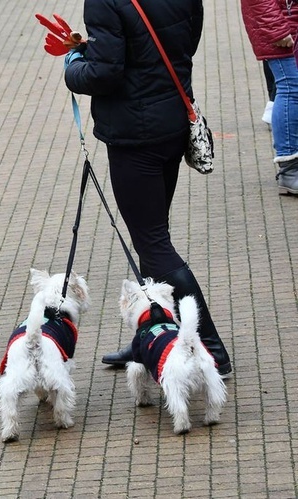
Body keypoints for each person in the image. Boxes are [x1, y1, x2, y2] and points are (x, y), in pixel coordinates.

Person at [63, 0, 232, 375]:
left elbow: (105, 73)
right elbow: (182, 42)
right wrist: (92, 47)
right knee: (152, 237)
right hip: (171, 120)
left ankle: (210, 348)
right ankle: (153, 338)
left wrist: (74, 67)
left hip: (134, 135)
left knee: (154, 244)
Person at [241, 0, 298, 196]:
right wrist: (276, 29)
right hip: (284, 23)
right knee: (291, 88)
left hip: (288, 18)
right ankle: (289, 167)